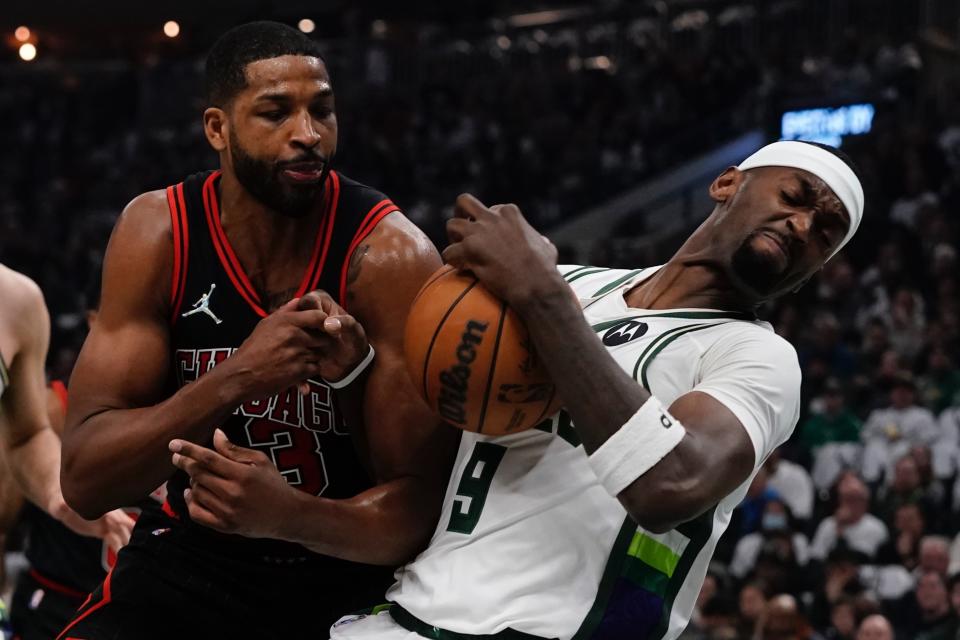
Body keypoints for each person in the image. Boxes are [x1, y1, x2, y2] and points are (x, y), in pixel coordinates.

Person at [319, 138, 865, 639]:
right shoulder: (578, 285)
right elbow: (428, 462)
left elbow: (671, 486)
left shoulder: (758, 358)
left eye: (825, 233)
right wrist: (354, 375)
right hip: (410, 614)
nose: (801, 225)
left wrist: (541, 294)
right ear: (726, 183)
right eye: (794, 197)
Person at [58, 21, 454, 639]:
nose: (308, 135)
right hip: (189, 560)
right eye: (275, 113)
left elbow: (419, 510)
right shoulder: (158, 233)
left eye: (322, 111)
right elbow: (85, 481)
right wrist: (242, 374)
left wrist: (291, 515)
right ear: (217, 127)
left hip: (343, 572)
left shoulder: (388, 256)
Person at [9, 284, 165, 640]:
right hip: (60, 606)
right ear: (94, 320)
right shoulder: (51, 411)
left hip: (149, 612)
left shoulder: (193, 407)